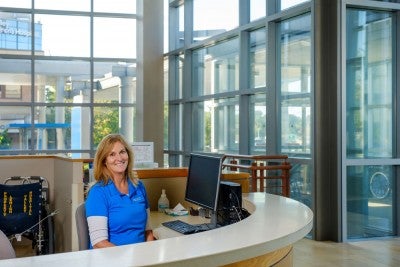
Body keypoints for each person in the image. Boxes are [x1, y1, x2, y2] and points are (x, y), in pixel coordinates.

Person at [85, 134, 155, 249]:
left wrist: (150, 255)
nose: (119, 158)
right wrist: (127, 260)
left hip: (140, 257)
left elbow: (148, 230)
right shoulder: (98, 193)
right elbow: (99, 243)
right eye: (112, 154)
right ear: (104, 161)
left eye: (122, 152)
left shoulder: (139, 186)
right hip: (112, 259)